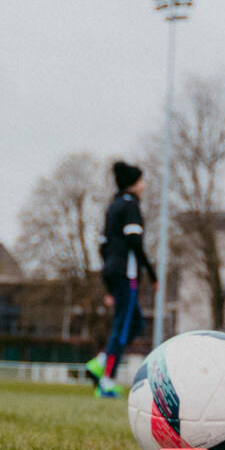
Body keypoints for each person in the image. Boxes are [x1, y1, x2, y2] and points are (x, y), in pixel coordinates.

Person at [83, 161, 157, 398]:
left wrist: (107, 284)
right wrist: (152, 274)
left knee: (136, 323)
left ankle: (101, 361)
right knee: (122, 328)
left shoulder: (113, 206)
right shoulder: (130, 206)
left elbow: (103, 246)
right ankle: (106, 381)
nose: (144, 186)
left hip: (113, 273)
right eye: (141, 181)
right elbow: (135, 243)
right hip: (126, 274)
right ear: (133, 184)